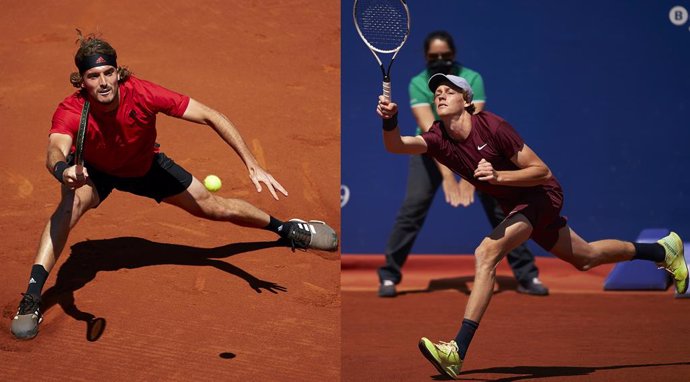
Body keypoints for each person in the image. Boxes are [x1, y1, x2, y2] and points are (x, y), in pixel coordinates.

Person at [10, 32, 338, 340]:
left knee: (215, 207)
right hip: (94, 172)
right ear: (82, 81)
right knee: (69, 207)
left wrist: (252, 162)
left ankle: (287, 229)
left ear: (118, 72)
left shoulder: (143, 93)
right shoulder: (72, 109)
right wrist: (63, 170)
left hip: (145, 168)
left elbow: (211, 115)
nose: (103, 82)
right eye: (94, 76)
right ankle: (33, 297)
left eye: (108, 72)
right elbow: (55, 148)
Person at [376, 73, 688, 379]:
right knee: (587, 257)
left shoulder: (493, 126)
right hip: (518, 208)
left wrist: (499, 177)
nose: (440, 95)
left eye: (449, 90)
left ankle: (456, 350)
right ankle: (662, 250)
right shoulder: (438, 137)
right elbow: (397, 146)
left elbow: (541, 171)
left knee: (486, 252)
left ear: (466, 99)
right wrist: (390, 120)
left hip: (542, 195)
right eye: (437, 93)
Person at [378, 31, 548, 298]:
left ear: (454, 55)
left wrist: (470, 178)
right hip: (432, 149)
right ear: (425, 57)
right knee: (413, 207)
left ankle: (528, 275)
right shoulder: (417, 83)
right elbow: (431, 135)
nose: (440, 60)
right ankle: (388, 275)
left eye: (445, 55)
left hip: (476, 151)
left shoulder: (472, 79)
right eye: (434, 57)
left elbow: (474, 128)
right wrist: (449, 177)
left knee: (500, 208)